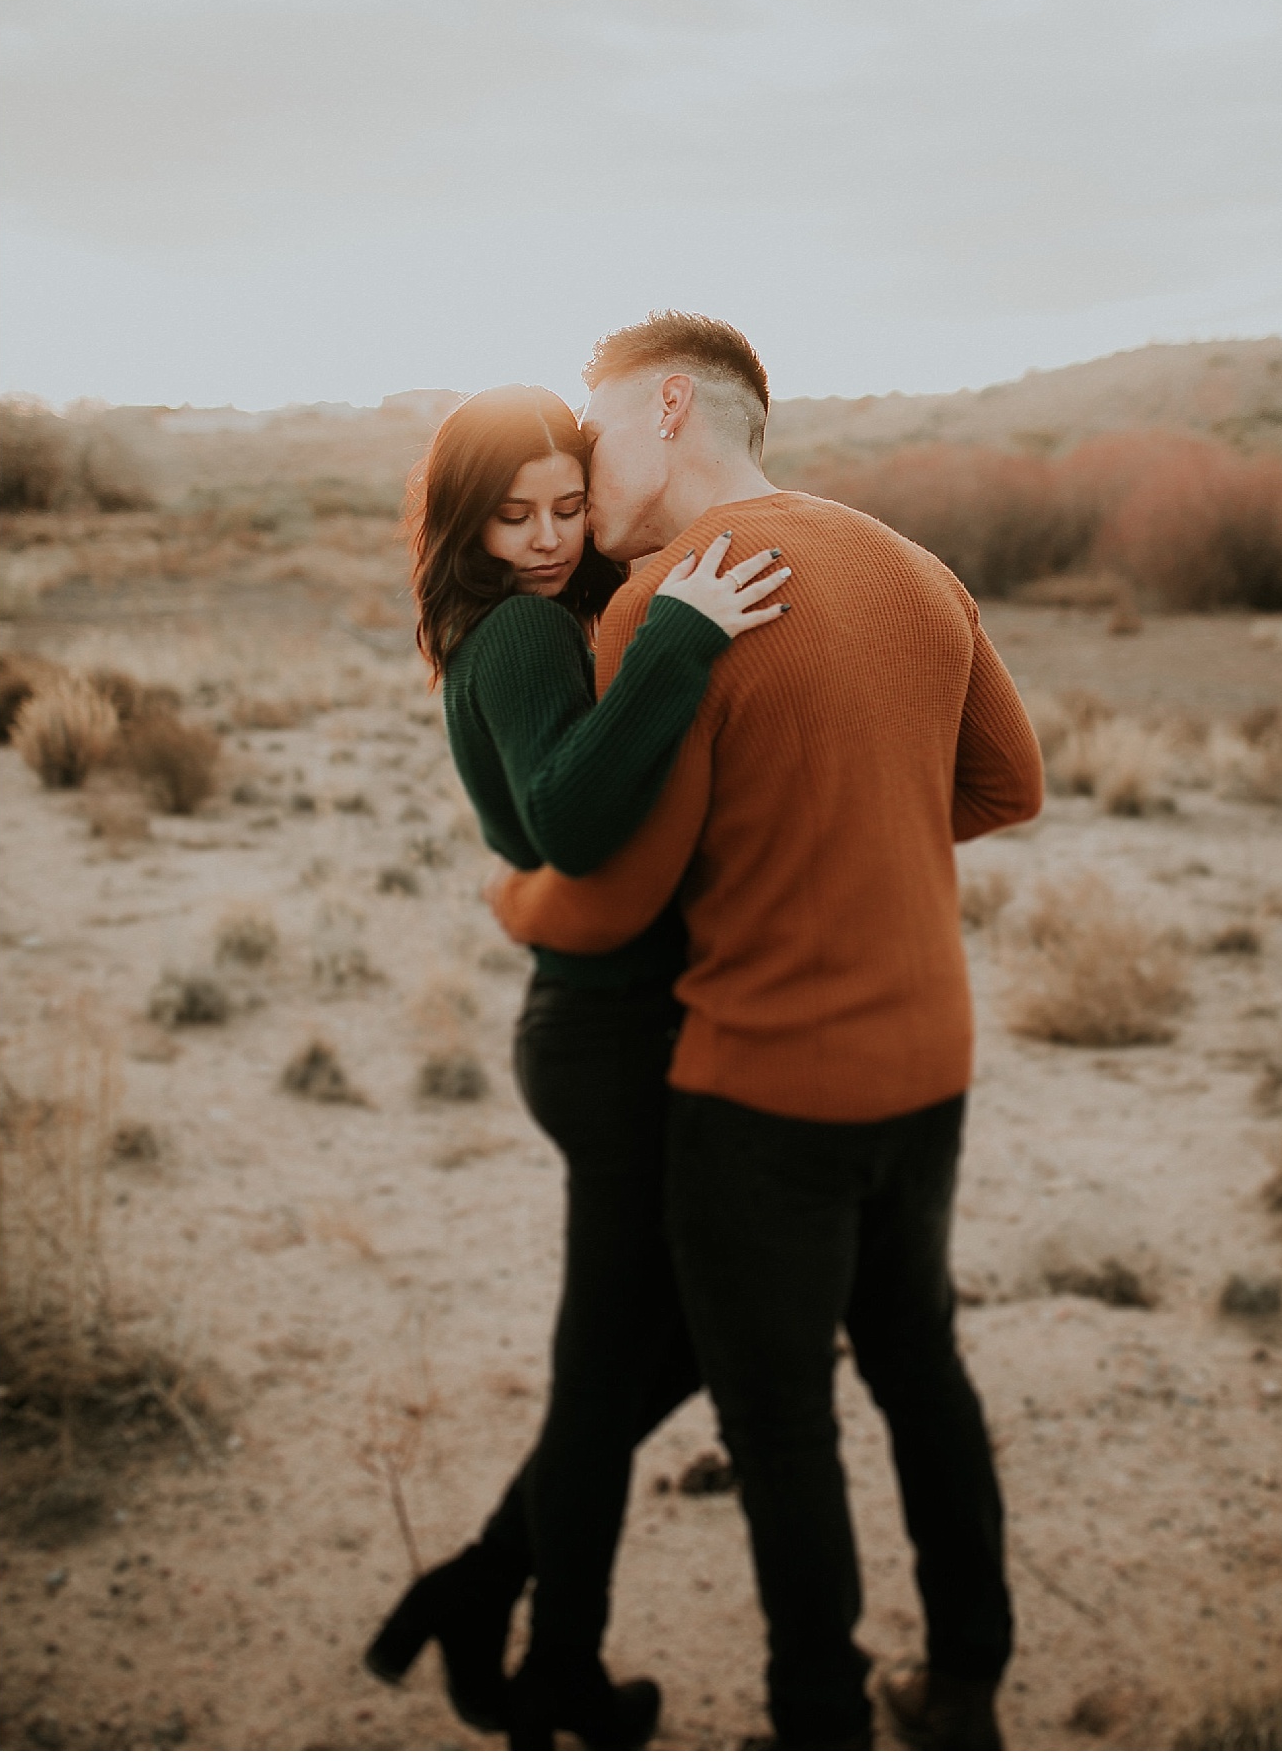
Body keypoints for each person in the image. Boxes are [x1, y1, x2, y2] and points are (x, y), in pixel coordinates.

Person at [492, 313, 1045, 1751]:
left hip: (764, 1088)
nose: (578, 458)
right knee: (922, 1368)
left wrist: (514, 900)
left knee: (784, 1419)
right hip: (931, 1063)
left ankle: (818, 1721)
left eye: (595, 429)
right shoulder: (919, 569)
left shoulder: (670, 600)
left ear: (671, 407)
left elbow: (613, 900)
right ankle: (968, 1688)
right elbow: (1007, 784)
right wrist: (853, 830)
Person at [364, 383, 790, 1750]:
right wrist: (677, 638)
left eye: (567, 505)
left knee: (663, 1351)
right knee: (646, 1360)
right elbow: (570, 822)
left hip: (606, 1026)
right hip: (611, 1041)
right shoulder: (524, 634)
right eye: (515, 515)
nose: (549, 537)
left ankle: (487, 1585)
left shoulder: (519, 619)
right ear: (464, 522)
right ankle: (553, 1665)